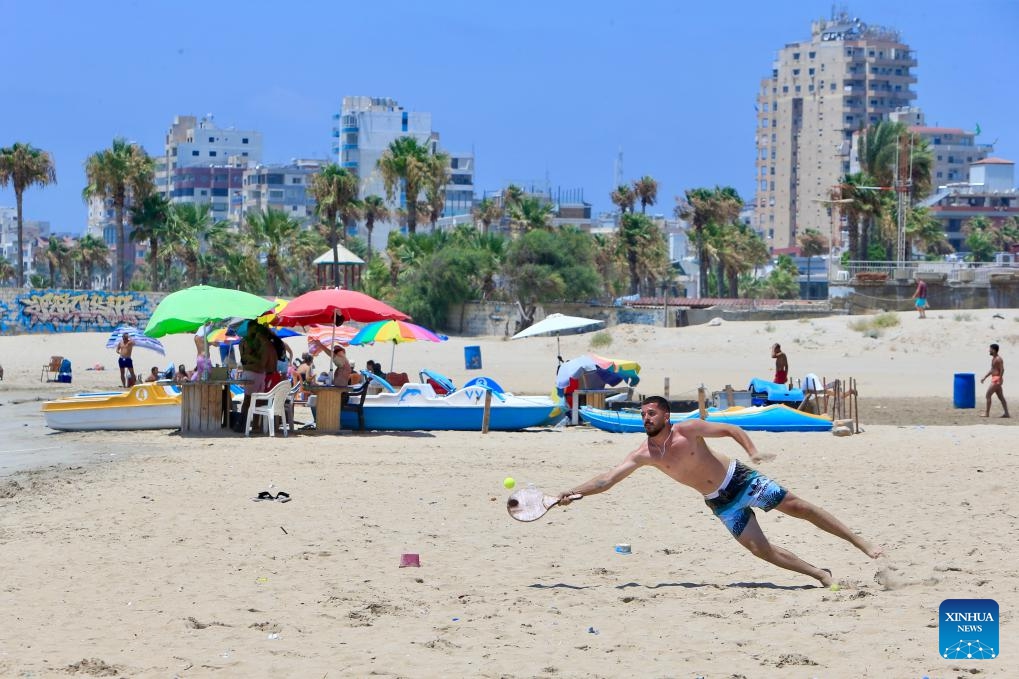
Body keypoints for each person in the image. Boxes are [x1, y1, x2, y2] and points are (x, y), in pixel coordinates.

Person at [556, 396, 882, 586]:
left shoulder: (688, 430)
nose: (646, 418)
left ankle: (860, 542)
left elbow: (730, 428)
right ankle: (820, 575)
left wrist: (752, 451)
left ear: (665, 415)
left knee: (800, 508)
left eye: (651, 413)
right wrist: (572, 491)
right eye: (642, 414)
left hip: (740, 479)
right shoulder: (645, 454)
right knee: (759, 549)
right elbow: (607, 479)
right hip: (720, 502)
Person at [980, 343, 1009, 418]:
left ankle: (987, 413)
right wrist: (985, 377)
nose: (989, 351)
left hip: (996, 379)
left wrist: (999, 379)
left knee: (988, 395)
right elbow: (992, 369)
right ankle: (1006, 413)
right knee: (1001, 397)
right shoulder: (994, 358)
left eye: (990, 349)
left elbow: (1002, 369)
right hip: (995, 378)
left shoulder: (999, 359)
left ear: (994, 350)